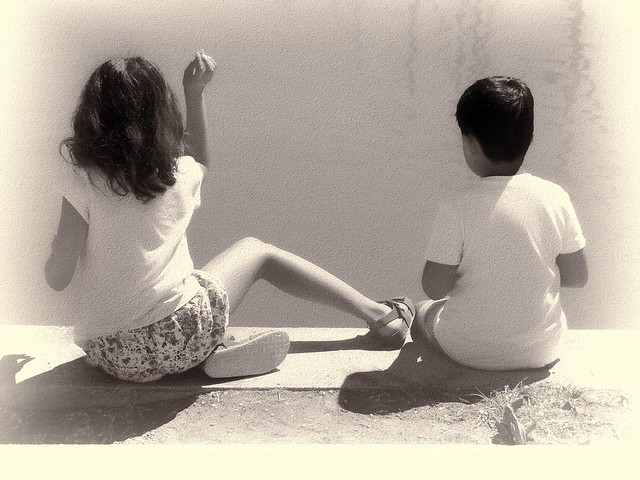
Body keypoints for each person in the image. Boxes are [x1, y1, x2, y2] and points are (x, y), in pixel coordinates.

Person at [45, 51, 414, 383]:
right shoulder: (175, 176)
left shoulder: (82, 179)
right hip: (179, 334)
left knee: (172, 293)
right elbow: (200, 158)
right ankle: (380, 317)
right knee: (257, 251)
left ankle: (212, 349)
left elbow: (57, 278)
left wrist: (59, 246)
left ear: (91, 116)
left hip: (113, 356)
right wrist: (195, 92)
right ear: (160, 116)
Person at [412, 76, 588, 370]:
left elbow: (434, 288)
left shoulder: (457, 204)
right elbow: (577, 277)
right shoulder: (555, 197)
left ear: (469, 144)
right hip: (544, 349)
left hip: (467, 351)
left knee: (422, 310)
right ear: (529, 139)